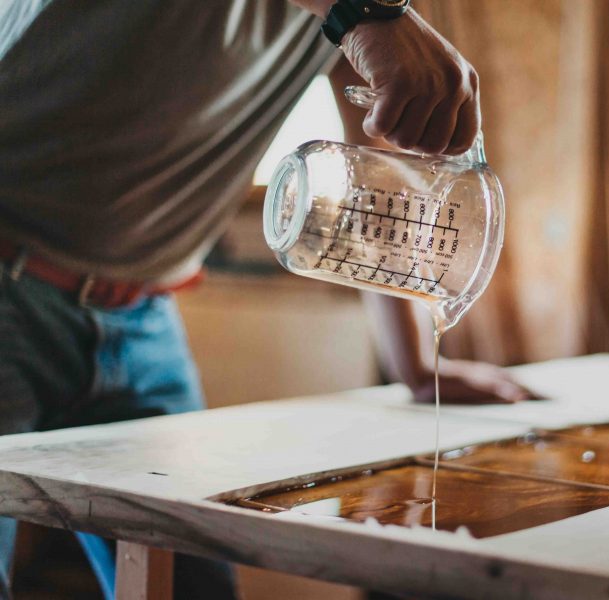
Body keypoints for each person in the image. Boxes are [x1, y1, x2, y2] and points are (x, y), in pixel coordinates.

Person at [0, 1, 532, 598]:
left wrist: (416, 367)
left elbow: (375, 180)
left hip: (144, 315)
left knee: (194, 587)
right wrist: (370, 14)